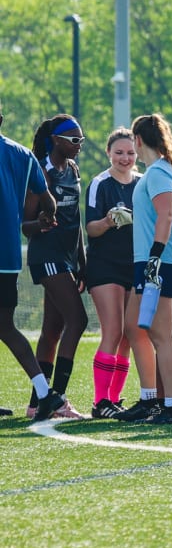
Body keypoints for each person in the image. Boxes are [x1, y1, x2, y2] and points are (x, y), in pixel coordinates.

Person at [115, 114, 172, 425]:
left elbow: (166, 215)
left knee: (161, 335)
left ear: (139, 139)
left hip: (160, 262)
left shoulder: (159, 171)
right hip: (150, 260)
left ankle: (171, 406)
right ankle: (149, 400)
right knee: (134, 327)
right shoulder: (155, 172)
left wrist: (155, 257)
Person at [25, 114, 89, 419]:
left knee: (52, 329)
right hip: (46, 255)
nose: (79, 145)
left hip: (66, 258)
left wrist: (82, 263)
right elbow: (24, 226)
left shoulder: (73, 170)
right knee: (78, 320)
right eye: (74, 140)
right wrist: (39, 223)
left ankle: (37, 402)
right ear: (56, 140)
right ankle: (58, 398)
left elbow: (75, 222)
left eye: (81, 140)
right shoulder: (41, 170)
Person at [0, 107, 63, 420]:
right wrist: (47, 217)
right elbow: (48, 199)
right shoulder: (24, 155)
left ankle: (45, 393)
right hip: (8, 258)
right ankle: (44, 393)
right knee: (5, 326)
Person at [84, 128, 141, 418]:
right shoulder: (100, 183)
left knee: (130, 334)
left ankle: (115, 399)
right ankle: (100, 402)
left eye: (130, 152)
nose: (125, 158)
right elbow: (90, 228)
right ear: (109, 152)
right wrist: (108, 221)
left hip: (135, 265)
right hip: (104, 266)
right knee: (114, 330)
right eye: (119, 152)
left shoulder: (143, 183)